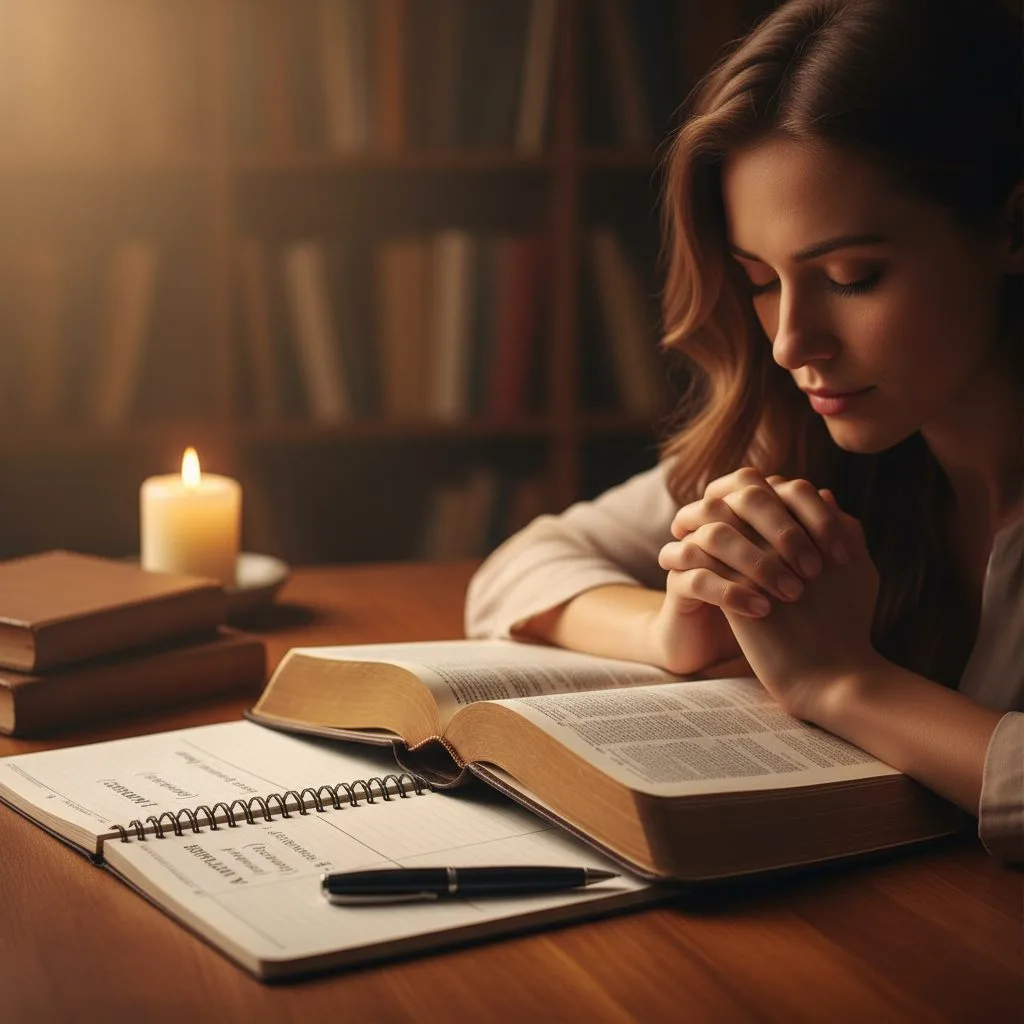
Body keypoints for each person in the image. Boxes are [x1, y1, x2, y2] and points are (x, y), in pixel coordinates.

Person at [465, 0, 1023, 863]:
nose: (792, 341)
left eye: (851, 275)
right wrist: (672, 629)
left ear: (1011, 229)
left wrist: (841, 681)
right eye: (760, 280)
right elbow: (523, 564)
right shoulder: (807, 443)